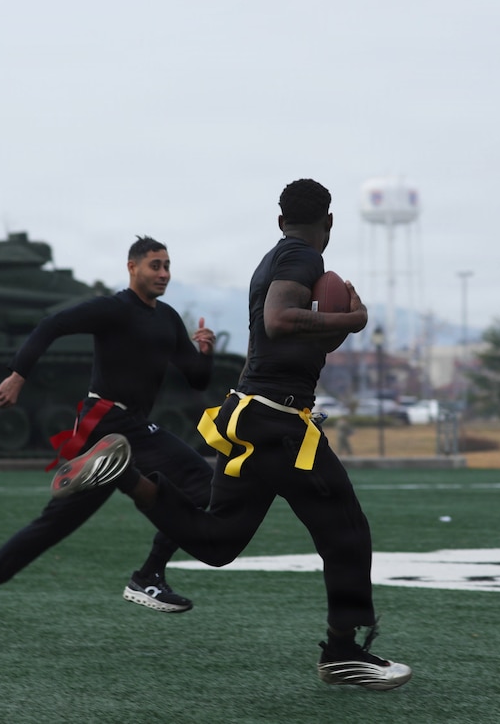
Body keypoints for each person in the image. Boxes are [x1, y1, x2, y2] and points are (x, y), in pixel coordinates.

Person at [49, 179, 412, 691]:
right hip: (278, 423)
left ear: (280, 220)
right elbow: (279, 320)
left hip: (253, 414)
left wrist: (333, 328)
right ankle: (342, 653)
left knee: (218, 541)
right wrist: (353, 317)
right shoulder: (302, 257)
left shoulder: (271, 260)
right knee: (347, 532)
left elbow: (287, 341)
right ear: (329, 222)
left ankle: (125, 475)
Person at [0, 236, 219, 648]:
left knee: (55, 526)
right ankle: (149, 575)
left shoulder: (167, 318)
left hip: (132, 425)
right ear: (132, 268)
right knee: (197, 479)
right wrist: (18, 375)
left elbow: (197, 378)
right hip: (106, 423)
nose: (163, 274)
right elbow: (51, 325)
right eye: (155, 266)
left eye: (167, 266)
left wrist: (205, 351)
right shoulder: (113, 309)